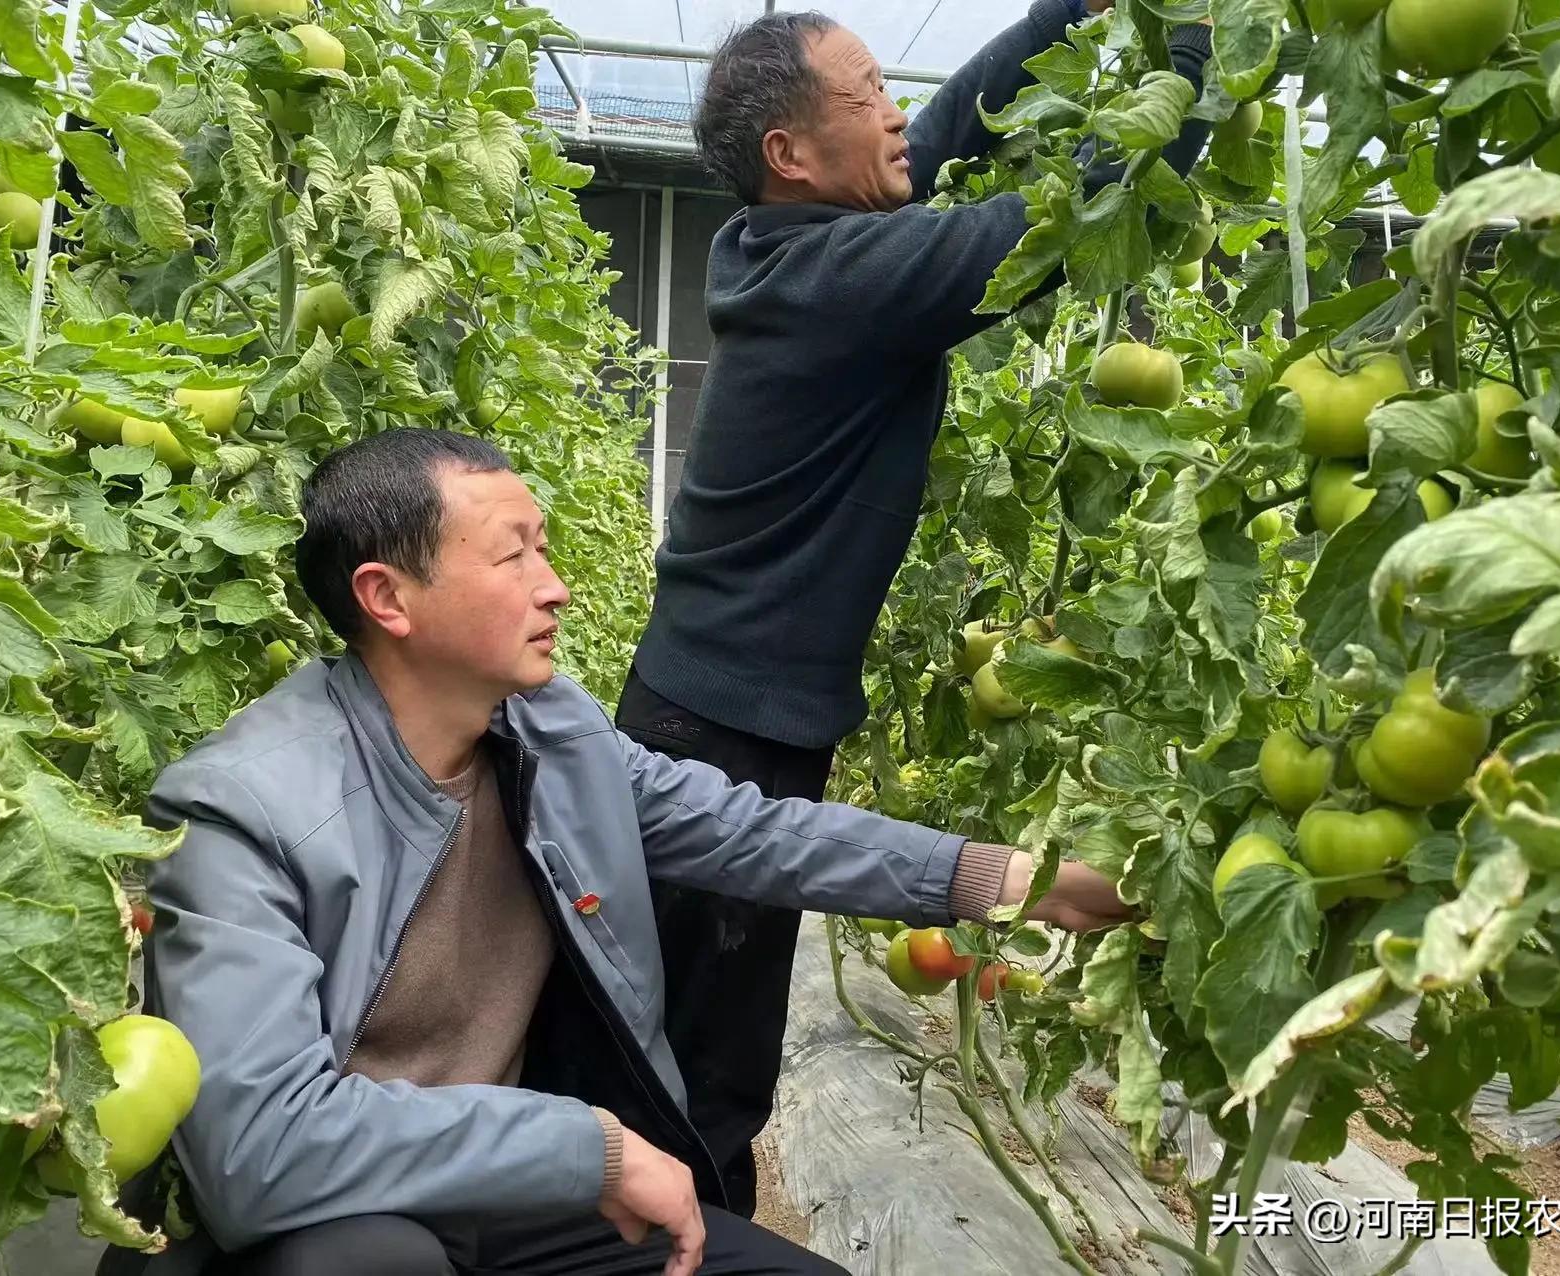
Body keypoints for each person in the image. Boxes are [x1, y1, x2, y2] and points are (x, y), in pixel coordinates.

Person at [104, 428, 1130, 1276]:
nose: (554, 586)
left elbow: (756, 831)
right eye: (514, 556)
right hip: (323, 1220)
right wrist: (583, 1147)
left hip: (494, 1190)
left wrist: (1014, 882)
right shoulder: (244, 807)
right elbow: (261, 1151)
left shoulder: (551, 733)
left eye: (546, 549)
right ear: (388, 598)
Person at [615, 0, 1215, 1216]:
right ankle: (684, 1238)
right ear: (793, 155)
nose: (895, 112)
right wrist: (1195, 44)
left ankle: (668, 1219)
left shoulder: (778, 242)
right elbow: (1080, 210)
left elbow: (942, 130)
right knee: (706, 1065)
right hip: (722, 730)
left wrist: (1062, 12)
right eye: (863, 96)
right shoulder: (851, 274)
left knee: (683, 1033)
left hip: (706, 698)